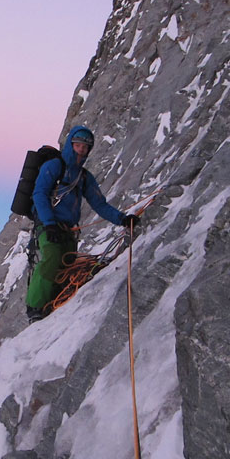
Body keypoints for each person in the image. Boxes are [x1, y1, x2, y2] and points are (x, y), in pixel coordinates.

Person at [25, 125, 138, 322]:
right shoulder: (54, 166)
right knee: (52, 258)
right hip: (48, 225)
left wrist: (122, 219)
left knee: (66, 265)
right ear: (71, 145)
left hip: (68, 230)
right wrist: (49, 223)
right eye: (78, 146)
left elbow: (99, 204)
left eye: (85, 148)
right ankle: (34, 308)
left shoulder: (84, 177)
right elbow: (39, 194)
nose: (81, 150)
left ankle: (52, 306)